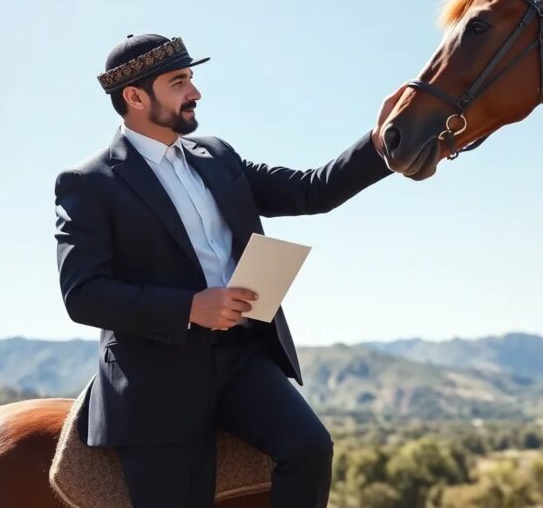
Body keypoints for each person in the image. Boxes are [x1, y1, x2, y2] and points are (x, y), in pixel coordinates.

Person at [54, 33, 399, 507]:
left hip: (241, 359)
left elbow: (309, 191)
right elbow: (83, 293)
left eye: (191, 79)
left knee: (310, 447)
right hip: (155, 377)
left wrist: (380, 144)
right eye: (178, 82)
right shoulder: (89, 183)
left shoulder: (216, 155)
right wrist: (190, 307)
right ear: (134, 97)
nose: (194, 92)